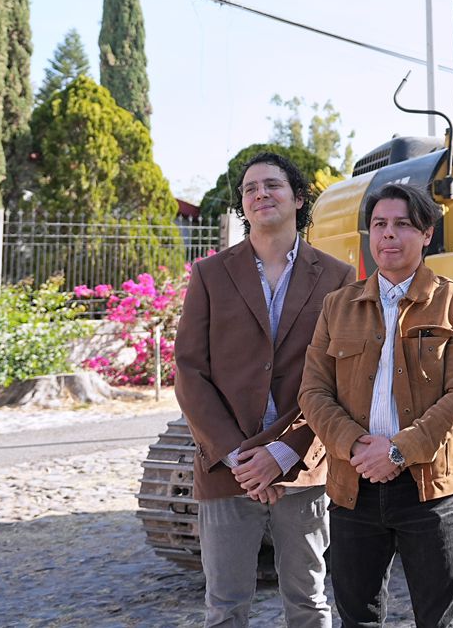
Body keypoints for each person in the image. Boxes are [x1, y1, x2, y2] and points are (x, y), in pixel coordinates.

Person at [174, 150, 354, 628]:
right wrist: (239, 456)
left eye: (271, 184)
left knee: (308, 604)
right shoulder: (210, 275)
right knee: (226, 608)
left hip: (303, 464)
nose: (259, 194)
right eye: (250, 188)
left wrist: (284, 453)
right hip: (226, 468)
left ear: (298, 198)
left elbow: (342, 377)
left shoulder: (338, 277)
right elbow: (190, 371)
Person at [299, 181, 453, 628]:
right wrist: (357, 447)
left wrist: (399, 450)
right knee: (358, 618)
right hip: (353, 484)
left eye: (403, 224)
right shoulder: (336, 306)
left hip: (429, 487)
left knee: (439, 619)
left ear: (426, 234)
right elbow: (313, 391)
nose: (388, 234)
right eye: (379, 224)